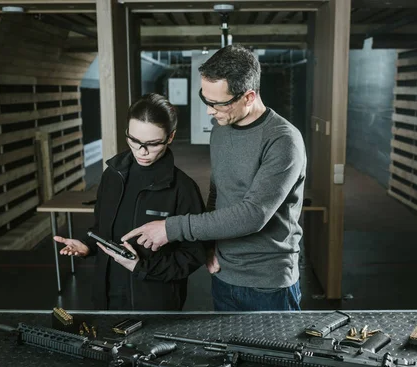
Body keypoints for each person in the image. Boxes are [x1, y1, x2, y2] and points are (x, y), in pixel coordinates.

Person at [122, 45, 307, 312]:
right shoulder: (221, 130)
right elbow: (217, 193)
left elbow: (253, 215)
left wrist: (171, 228)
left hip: (268, 285)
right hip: (222, 274)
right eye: (205, 99)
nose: (210, 111)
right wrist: (208, 246)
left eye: (218, 103)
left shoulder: (283, 141)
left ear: (249, 96)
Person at [53, 93, 206, 311]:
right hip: (106, 299)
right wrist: (87, 245)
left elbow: (193, 254)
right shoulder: (112, 176)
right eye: (134, 141)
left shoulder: (183, 188)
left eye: (152, 144)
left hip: (154, 304)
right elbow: (102, 228)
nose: (142, 151)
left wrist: (141, 267)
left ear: (170, 137)